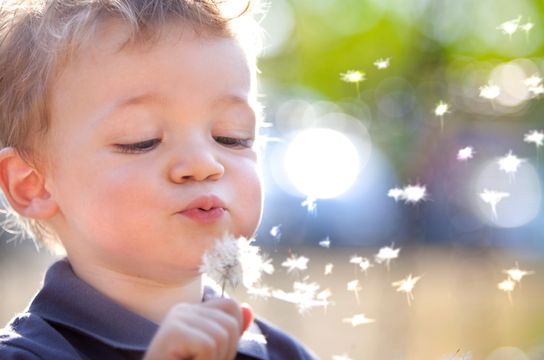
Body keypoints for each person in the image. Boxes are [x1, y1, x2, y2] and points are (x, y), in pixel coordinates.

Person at [0, 0, 317, 359]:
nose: (203, 164)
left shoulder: (283, 353)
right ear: (33, 183)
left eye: (232, 136)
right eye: (142, 140)